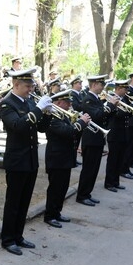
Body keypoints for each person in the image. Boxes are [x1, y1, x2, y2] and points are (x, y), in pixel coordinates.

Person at [0, 68, 51, 255]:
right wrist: (38, 109)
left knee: (24, 201)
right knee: (13, 202)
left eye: (32, 85)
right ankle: (8, 239)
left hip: (30, 159)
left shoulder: (29, 102)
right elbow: (17, 126)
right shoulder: (7, 104)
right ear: (16, 85)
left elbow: (41, 129)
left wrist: (47, 113)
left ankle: (18, 236)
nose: (31, 89)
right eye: (28, 86)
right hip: (16, 160)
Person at [42, 89, 90, 228]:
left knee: (63, 188)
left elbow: (72, 133)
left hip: (65, 157)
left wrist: (82, 124)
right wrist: (81, 123)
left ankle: (57, 212)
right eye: (67, 102)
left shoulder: (64, 115)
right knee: (55, 188)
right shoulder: (52, 117)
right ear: (58, 103)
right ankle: (49, 215)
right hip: (56, 158)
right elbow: (67, 132)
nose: (70, 105)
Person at [76, 74, 116, 207]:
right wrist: (110, 105)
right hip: (91, 139)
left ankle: (87, 193)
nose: (103, 87)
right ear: (93, 85)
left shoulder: (96, 99)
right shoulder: (88, 99)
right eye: (101, 84)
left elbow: (104, 117)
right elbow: (97, 115)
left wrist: (112, 107)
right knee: (88, 169)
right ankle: (82, 195)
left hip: (97, 138)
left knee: (94, 169)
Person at [104, 80, 131, 192]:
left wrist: (132, 107)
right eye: (124, 89)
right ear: (118, 89)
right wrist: (131, 106)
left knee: (120, 159)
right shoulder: (111, 99)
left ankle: (116, 181)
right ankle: (109, 183)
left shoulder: (124, 99)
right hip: (114, 133)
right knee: (113, 159)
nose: (126, 91)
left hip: (123, 133)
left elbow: (129, 114)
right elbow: (118, 114)